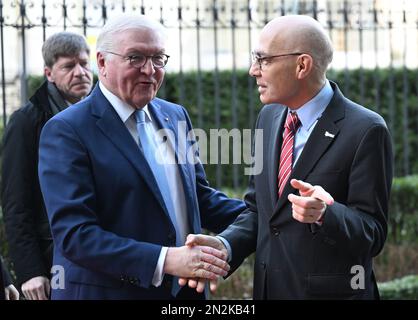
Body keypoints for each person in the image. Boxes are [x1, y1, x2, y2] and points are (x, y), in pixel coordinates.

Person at [37, 14, 245, 300]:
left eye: (158, 58)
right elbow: (75, 235)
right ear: (102, 62)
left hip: (185, 294)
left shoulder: (175, 115)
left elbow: (197, 197)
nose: (150, 70)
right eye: (135, 57)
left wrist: (266, 215)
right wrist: (166, 260)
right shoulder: (67, 130)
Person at [185, 15, 393, 299]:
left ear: (302, 65)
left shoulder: (366, 129)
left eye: (263, 60)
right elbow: (260, 210)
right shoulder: (268, 117)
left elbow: (374, 234)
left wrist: (325, 215)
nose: (253, 70)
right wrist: (225, 246)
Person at [1, 31, 93, 300]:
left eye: (84, 64)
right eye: (68, 66)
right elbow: (15, 203)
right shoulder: (26, 122)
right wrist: (30, 271)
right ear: (49, 73)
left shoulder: (103, 113)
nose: (80, 73)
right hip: (52, 259)